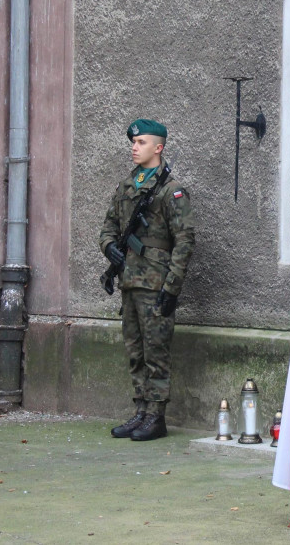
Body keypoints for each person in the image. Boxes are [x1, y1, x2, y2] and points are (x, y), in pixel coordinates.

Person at [100, 119, 196, 441]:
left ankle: (156, 416)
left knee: (156, 352)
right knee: (135, 350)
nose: (134, 147)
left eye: (141, 142)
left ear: (159, 147)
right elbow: (108, 227)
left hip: (155, 284)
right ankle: (140, 410)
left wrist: (172, 287)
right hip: (129, 280)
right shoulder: (126, 187)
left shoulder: (171, 190)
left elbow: (185, 239)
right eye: (133, 142)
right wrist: (110, 247)